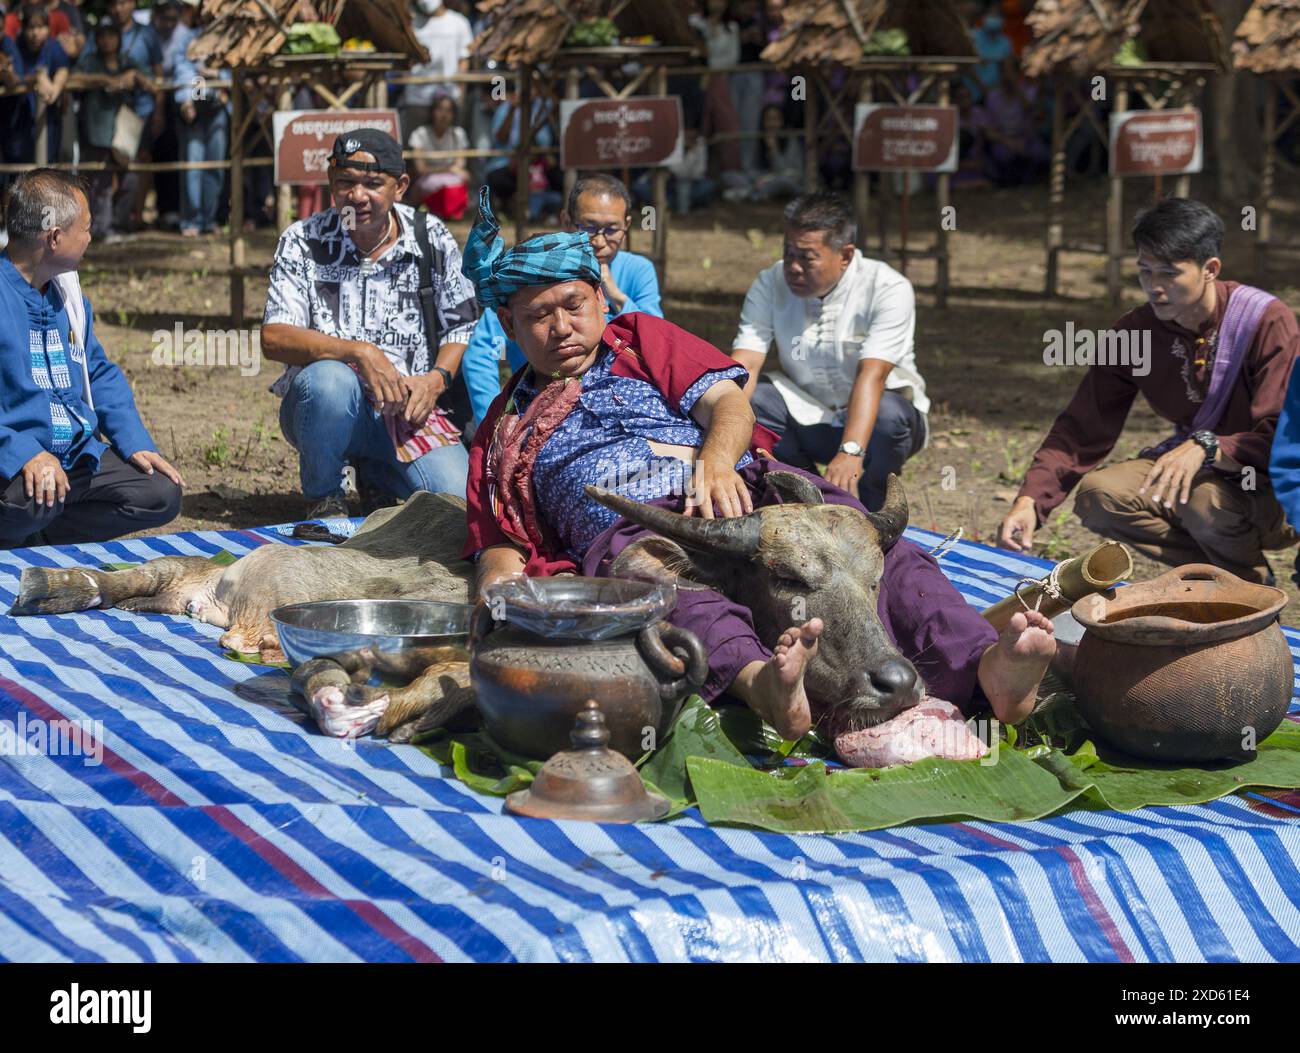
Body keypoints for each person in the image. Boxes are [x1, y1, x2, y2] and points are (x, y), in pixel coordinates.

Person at [459, 187, 1055, 738]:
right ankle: (765, 686)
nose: (562, 327)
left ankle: (986, 666)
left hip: (752, 498)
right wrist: (499, 593)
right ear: (508, 323)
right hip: (635, 531)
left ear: (598, 299)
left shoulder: (641, 338)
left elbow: (728, 404)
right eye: (539, 316)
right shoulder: (499, 434)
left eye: (574, 305)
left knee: (876, 545)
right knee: (663, 584)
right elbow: (499, 543)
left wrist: (716, 466)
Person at [999, 198, 1300, 585]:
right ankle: (1218, 576)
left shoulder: (1266, 321)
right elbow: (1082, 425)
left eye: (1170, 273)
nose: (1154, 287)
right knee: (1100, 496)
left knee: (1204, 501)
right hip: (1199, 478)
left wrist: (1209, 447)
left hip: (1273, 490)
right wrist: (1030, 500)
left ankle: (1250, 594)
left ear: (1210, 269)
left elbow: (1283, 437)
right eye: (1144, 271)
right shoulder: (1136, 332)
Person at [261, 130, 479, 519]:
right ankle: (326, 497)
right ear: (330, 183)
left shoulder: (430, 237)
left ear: (401, 186)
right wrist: (359, 352)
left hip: (408, 412)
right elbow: (275, 337)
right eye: (345, 182)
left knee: (459, 507)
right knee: (329, 381)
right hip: (324, 409)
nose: (357, 196)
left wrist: (435, 380)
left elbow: (460, 325)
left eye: (373, 184)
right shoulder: (302, 240)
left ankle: (376, 471)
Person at [0, 169, 182, 547]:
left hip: (75, 456)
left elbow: (97, 371)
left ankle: (38, 537)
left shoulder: (68, 295)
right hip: (16, 467)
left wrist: (134, 441)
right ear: (54, 237)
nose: (89, 237)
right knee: (34, 498)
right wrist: (23, 453)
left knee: (160, 494)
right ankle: (29, 522)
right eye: (84, 228)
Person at [730, 192, 929, 512]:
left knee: (890, 416)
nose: (792, 267)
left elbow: (873, 374)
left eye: (807, 257)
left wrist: (851, 451)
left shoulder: (888, 287)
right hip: (807, 417)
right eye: (788, 252)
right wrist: (724, 433)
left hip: (880, 425)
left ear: (846, 255)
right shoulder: (769, 282)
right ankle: (806, 498)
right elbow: (747, 363)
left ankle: (877, 512)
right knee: (753, 400)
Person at [460, 172, 663, 428]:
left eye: (612, 229)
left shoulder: (638, 270)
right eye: (588, 227)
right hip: (537, 408)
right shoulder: (536, 270)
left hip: (619, 405)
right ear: (567, 220)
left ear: (627, 225)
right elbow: (482, 352)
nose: (600, 241)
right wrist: (493, 422)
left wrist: (618, 296)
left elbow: (658, 341)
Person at [73, 20, 146, 239]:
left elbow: (150, 79)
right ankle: (101, 229)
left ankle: (120, 224)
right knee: (99, 182)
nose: (107, 41)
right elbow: (72, 78)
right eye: (102, 36)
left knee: (130, 177)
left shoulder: (127, 62)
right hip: (96, 129)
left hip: (124, 131)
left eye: (111, 36)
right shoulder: (89, 61)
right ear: (96, 40)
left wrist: (132, 76)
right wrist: (104, 79)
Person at [1, 5, 70, 165]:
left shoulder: (53, 46)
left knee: (47, 167)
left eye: (41, 27)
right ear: (23, 29)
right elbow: (16, 78)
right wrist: (38, 77)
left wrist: (55, 88)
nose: (35, 33)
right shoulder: (14, 46)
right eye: (31, 27)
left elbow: (62, 68)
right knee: (17, 170)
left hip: (47, 118)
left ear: (48, 28)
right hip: (16, 119)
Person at [172, 43, 229, 236]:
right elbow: (183, 71)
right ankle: (191, 220)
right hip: (194, 107)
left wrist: (218, 76)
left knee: (216, 165)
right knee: (193, 165)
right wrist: (186, 100)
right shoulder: (190, 39)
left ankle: (209, 219)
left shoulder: (229, 38)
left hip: (218, 108)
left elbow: (232, 72)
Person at [401, 0, 474, 142]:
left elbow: (464, 60)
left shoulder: (459, 22)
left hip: (448, 99)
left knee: (451, 143)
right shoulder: (412, 24)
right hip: (417, 98)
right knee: (415, 145)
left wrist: (460, 95)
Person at [405, 93, 469, 219]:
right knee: (435, 183)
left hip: (452, 180)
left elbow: (461, 164)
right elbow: (421, 169)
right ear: (432, 112)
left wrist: (451, 171)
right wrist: (448, 169)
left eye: (448, 110)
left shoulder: (458, 134)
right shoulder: (420, 134)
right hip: (427, 182)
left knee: (461, 179)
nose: (444, 115)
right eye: (440, 109)